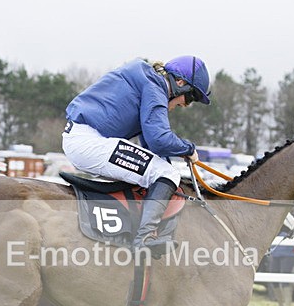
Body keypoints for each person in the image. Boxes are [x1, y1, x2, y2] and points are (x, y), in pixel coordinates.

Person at [62, 55, 211, 258]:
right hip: (88, 141)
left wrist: (172, 163)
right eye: (191, 97)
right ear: (180, 83)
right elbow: (159, 138)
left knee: (165, 172)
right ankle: (144, 238)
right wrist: (188, 149)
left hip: (83, 138)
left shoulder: (147, 80)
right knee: (166, 173)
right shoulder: (155, 86)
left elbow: (151, 145)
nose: (185, 105)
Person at [266, 209, 294, 306]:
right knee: (273, 279)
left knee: (285, 279)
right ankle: (281, 304)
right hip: (275, 253)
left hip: (288, 254)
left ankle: (287, 304)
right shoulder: (281, 223)